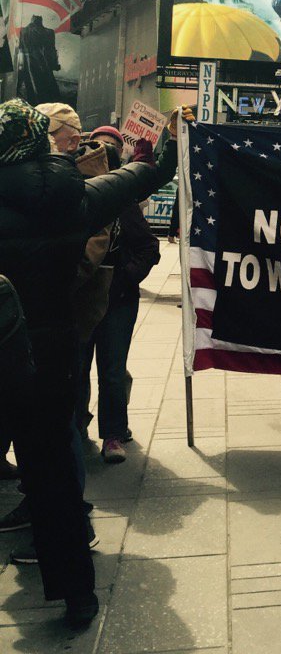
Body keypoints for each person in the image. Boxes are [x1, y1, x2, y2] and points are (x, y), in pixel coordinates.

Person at [0, 99, 183, 627]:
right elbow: (138, 179)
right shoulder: (72, 195)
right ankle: (77, 595)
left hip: (3, 347)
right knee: (54, 473)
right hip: (53, 352)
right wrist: (167, 150)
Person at [78, 134, 160, 463]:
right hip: (81, 301)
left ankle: (113, 433)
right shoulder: (75, 202)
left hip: (117, 302)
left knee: (111, 370)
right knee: (77, 368)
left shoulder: (122, 206)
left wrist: (125, 277)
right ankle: (77, 427)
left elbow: (149, 247)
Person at [16, 15, 61, 105]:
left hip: (29, 63)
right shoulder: (49, 32)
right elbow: (51, 50)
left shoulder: (24, 31)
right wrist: (55, 64)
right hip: (42, 64)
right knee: (45, 90)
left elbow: (20, 49)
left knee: (32, 89)